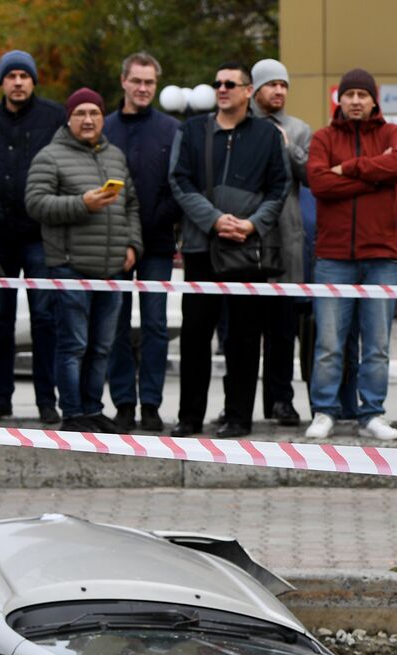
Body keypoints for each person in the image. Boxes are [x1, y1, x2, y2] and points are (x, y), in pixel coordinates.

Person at [168, 61, 288, 438]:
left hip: (247, 249)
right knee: (195, 335)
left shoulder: (267, 135)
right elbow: (179, 180)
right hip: (203, 247)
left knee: (244, 338)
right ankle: (189, 417)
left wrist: (252, 224)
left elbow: (279, 187)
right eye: (217, 82)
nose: (222, 89)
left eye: (230, 84)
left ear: (247, 90)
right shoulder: (192, 130)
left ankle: (238, 417)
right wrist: (214, 220)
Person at [24, 88, 142, 433]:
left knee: (102, 346)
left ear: (103, 117)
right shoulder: (50, 156)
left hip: (112, 270)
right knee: (73, 345)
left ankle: (92, 408)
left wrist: (132, 244)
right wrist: (82, 204)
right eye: (81, 113)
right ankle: (73, 412)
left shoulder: (115, 156)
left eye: (94, 113)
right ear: (69, 117)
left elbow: (131, 204)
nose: (88, 119)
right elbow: (36, 203)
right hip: (70, 266)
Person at [303, 68, 397, 441]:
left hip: (381, 256)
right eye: (350, 94)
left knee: (377, 343)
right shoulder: (323, 137)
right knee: (330, 342)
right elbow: (319, 182)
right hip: (333, 257)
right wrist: (374, 181)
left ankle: (372, 414)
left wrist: (347, 169)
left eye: (363, 94)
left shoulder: (391, 133)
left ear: (373, 99)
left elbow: (396, 164)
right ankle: (325, 411)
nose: (356, 100)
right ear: (340, 99)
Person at [0, 50, 66, 424]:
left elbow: (65, 164)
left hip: (42, 234)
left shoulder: (54, 116)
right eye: (12, 76)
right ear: (2, 82)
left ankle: (46, 400)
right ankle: (0, 398)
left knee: (44, 318)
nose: (19, 82)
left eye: (25, 75)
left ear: (33, 81)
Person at [103, 52, 180, 433]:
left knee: (154, 324)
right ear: (124, 81)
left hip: (158, 242)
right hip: (112, 243)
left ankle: (150, 403)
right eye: (137, 81)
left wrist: (155, 222)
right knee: (114, 324)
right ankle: (122, 403)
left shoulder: (170, 129)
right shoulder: (103, 128)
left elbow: (178, 184)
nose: (143, 88)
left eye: (150, 82)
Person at [251, 57, 313, 427]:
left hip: (286, 240)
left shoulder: (300, 129)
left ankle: (282, 400)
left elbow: (309, 174)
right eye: (271, 84)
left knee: (282, 329)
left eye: (283, 85)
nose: (278, 90)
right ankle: (244, 402)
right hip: (245, 239)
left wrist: (288, 147)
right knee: (242, 328)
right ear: (255, 90)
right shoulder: (241, 126)